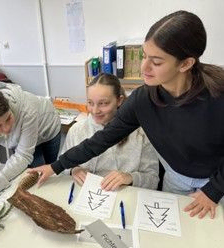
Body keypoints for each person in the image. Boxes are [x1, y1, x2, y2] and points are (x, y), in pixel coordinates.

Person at [29, 10, 224, 219]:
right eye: (144, 56)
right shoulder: (142, 100)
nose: (144, 67)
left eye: (156, 62)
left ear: (186, 63)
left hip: (218, 180)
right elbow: (101, 140)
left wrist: (213, 191)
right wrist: (55, 166)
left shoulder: (217, 97)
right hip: (176, 178)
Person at [0, 82, 61, 197]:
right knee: (31, 176)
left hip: (48, 128)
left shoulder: (27, 109)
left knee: (45, 175)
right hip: (25, 136)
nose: (7, 128)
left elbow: (23, 156)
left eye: (8, 118)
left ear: (8, 105)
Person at [62, 73, 159, 190]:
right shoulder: (77, 131)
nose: (95, 110)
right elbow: (62, 165)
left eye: (103, 103)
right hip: (86, 194)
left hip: (124, 196)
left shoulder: (140, 133)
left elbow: (153, 179)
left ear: (119, 101)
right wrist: (74, 169)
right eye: (90, 103)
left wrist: (130, 178)